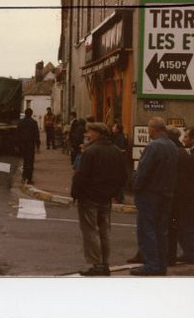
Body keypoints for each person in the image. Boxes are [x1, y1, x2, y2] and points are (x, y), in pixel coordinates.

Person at [70, 122, 128, 276]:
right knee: (104, 230)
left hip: (89, 196)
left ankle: (97, 264)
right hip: (106, 197)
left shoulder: (90, 152)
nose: (87, 135)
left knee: (90, 231)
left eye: (90, 132)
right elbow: (124, 176)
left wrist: (75, 192)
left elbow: (81, 176)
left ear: (97, 133)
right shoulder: (116, 151)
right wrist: (115, 192)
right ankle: (105, 263)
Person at [131, 117, 178, 275]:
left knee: (146, 229)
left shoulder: (153, 146)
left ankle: (151, 264)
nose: (148, 131)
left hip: (150, 193)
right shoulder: (172, 146)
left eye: (149, 128)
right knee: (161, 230)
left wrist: (135, 186)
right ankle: (160, 265)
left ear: (154, 129)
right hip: (166, 193)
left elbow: (143, 170)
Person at [167, 127, 194, 265]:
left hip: (186, 195)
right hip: (187, 194)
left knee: (184, 224)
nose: (183, 139)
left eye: (187, 137)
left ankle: (190, 253)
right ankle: (189, 252)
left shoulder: (185, 154)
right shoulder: (186, 153)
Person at [16, 107, 41, 184]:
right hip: (30, 144)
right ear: (31, 114)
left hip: (22, 144)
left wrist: (17, 145)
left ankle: (24, 177)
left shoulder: (20, 122)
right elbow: (37, 134)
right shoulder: (34, 122)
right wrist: (38, 146)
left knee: (24, 161)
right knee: (30, 161)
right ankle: (29, 178)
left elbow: (17, 134)